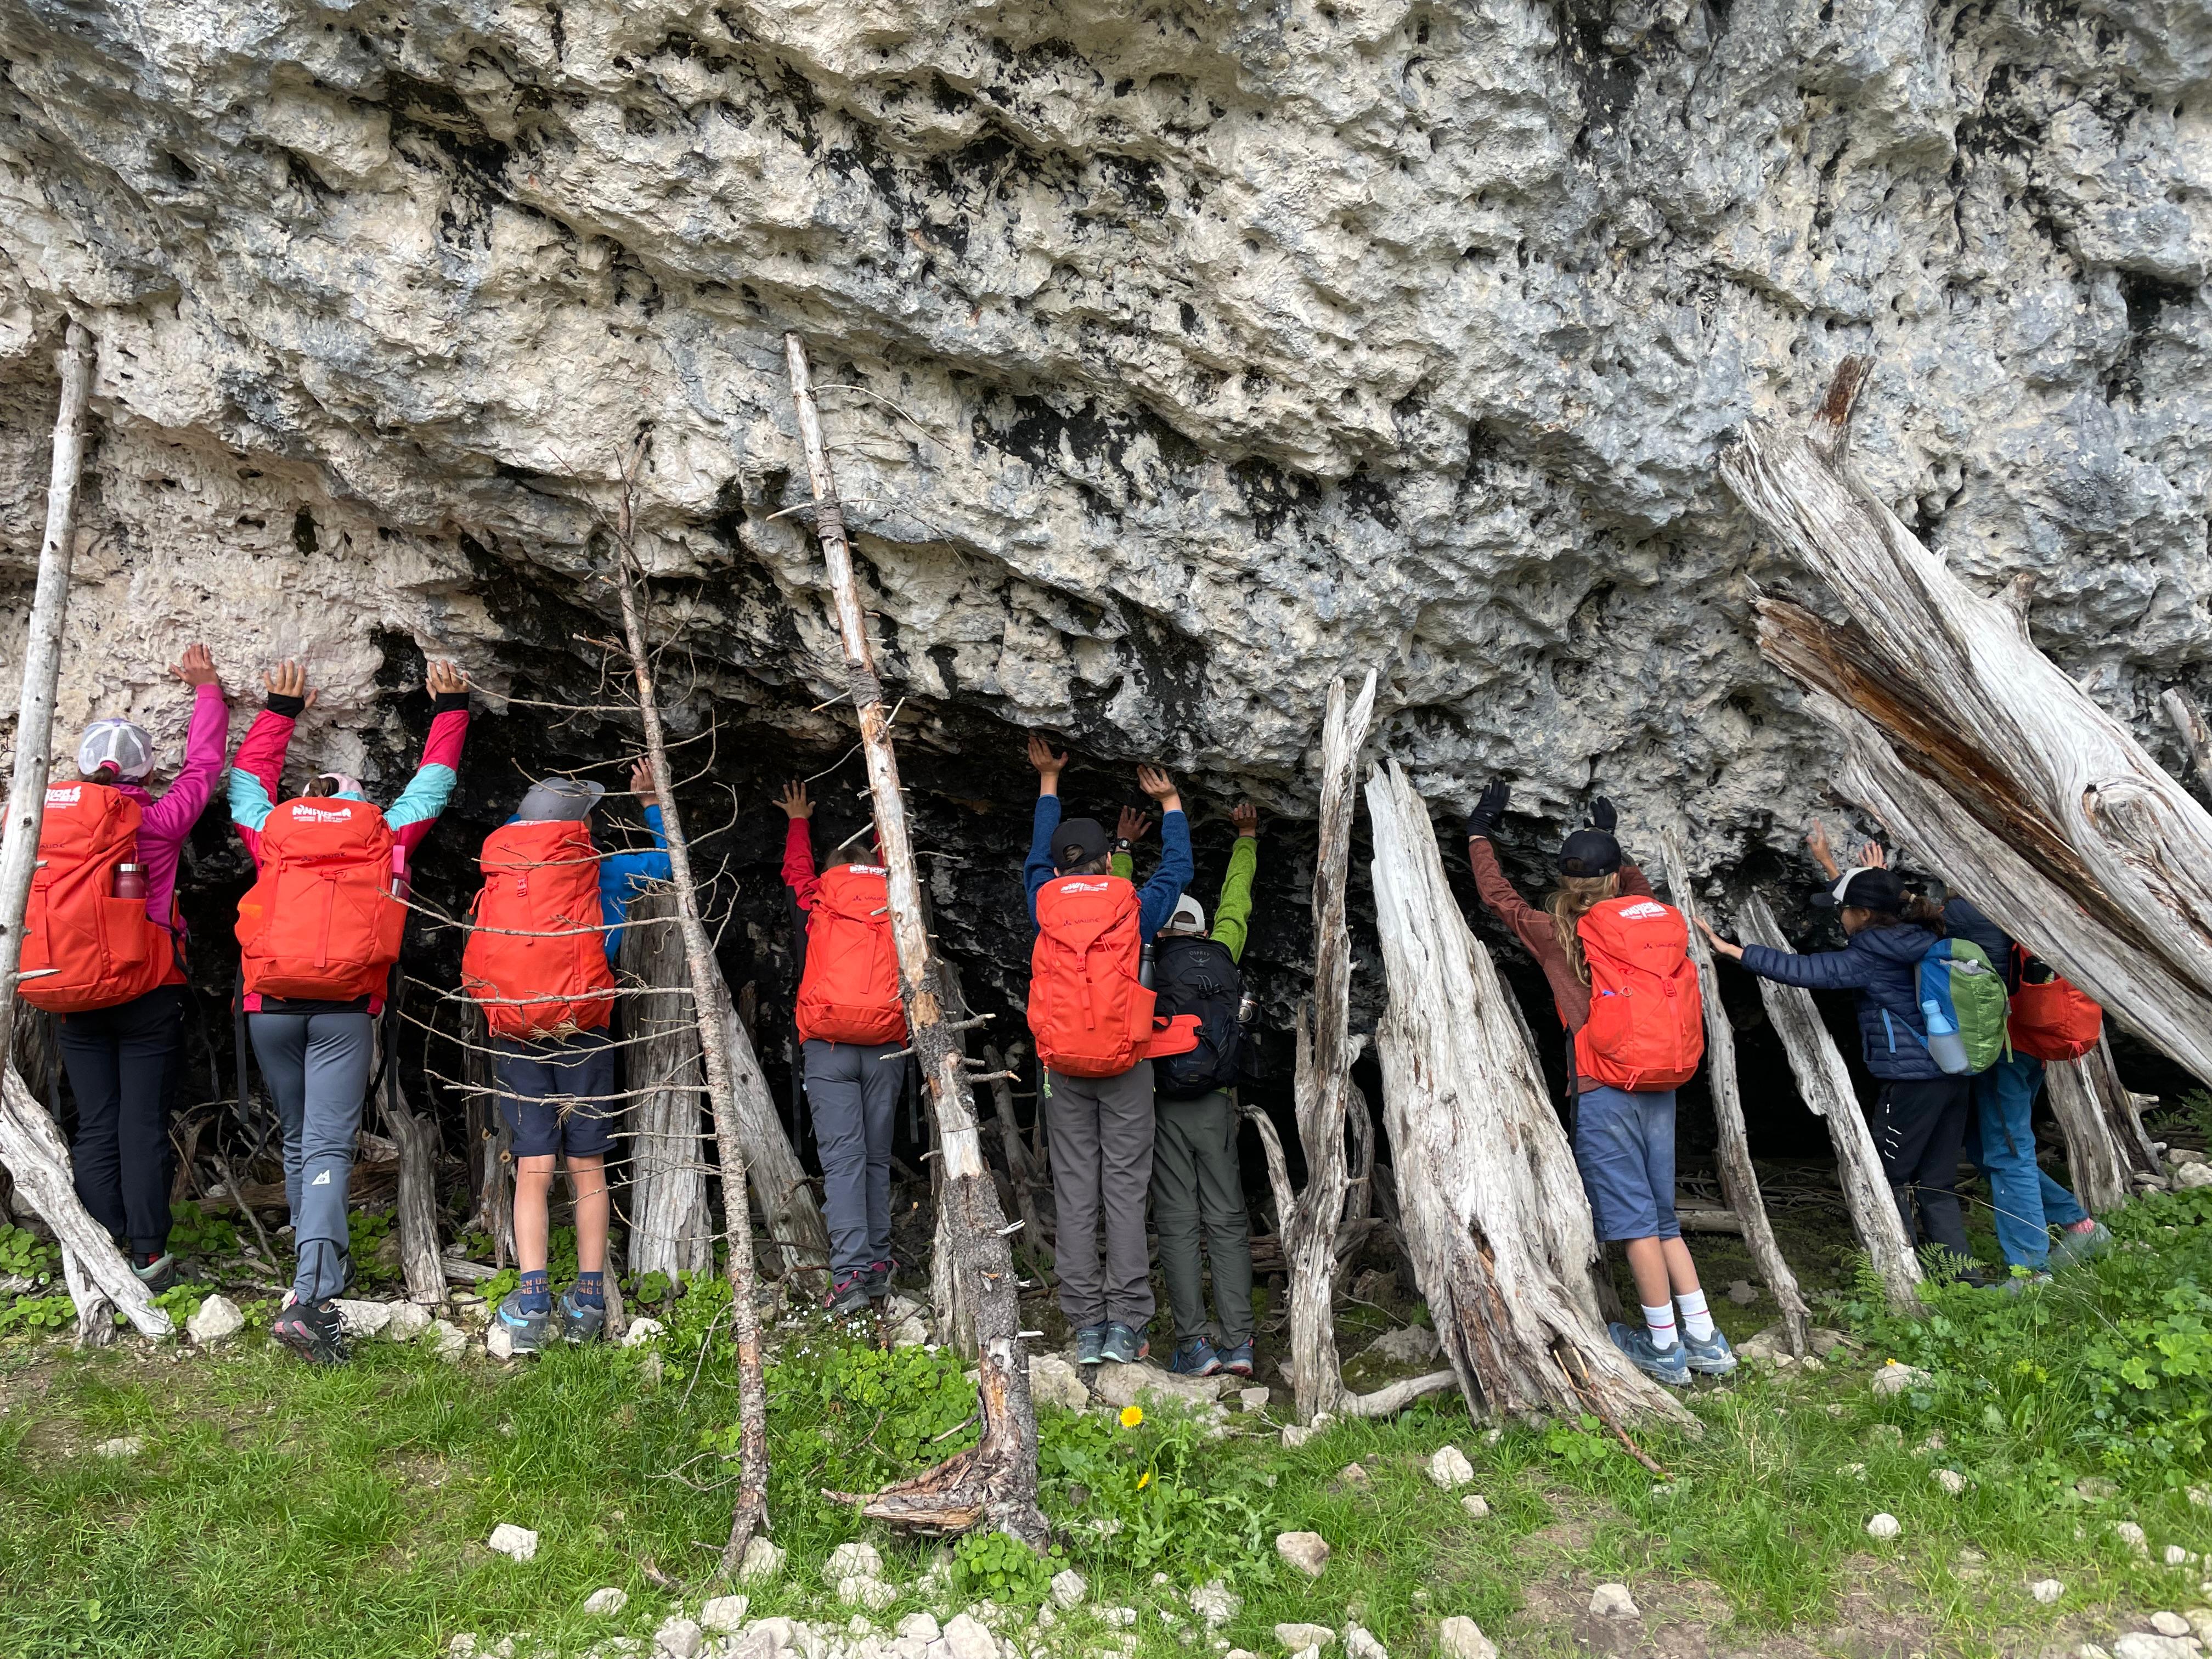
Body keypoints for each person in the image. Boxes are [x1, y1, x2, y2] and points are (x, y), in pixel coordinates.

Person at [230, 657, 471, 1362]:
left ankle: (310, 1285)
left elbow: (243, 780)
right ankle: (313, 1297)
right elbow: (436, 781)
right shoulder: (383, 835)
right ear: (358, 804)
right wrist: (452, 707)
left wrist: (278, 709)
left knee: (303, 1139)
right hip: (343, 1009)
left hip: (268, 1005)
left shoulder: (272, 830)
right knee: (331, 1143)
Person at [1465, 781, 1732, 1385]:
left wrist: (1481, 832)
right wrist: (1613, 837)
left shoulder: (1556, 934)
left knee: (1635, 1222)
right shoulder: (1651, 926)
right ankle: (1706, 1339)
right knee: (1662, 1216)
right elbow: (1635, 886)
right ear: (1614, 879)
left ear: (1565, 881)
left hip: (1602, 1086)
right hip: (1659, 1085)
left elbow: (1497, 896)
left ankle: (1664, 1348)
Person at [1807, 825, 2110, 1281]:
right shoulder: (2014, 908)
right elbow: (1892, 914)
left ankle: (2032, 1271)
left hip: (2002, 1050)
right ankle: (2077, 1223)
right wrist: (1850, 874)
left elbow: (1896, 926)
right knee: (1989, 1149)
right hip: (2019, 1045)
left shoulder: (1970, 913)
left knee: (2008, 1151)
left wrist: (1866, 881)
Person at [26, 645, 230, 1290]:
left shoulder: (39, 827)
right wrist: (208, 693)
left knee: (94, 1120)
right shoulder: (159, 823)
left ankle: (98, 1245)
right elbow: (202, 768)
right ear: (144, 771)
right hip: (148, 990)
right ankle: (147, 1253)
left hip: (70, 993)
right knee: (142, 1122)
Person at [1697, 850, 1984, 1283]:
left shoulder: (1869, 953)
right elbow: (1880, 904)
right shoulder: (1925, 936)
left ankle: (1902, 1278)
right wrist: (1850, 873)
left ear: (1863, 914)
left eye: (1843, 910)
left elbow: (1809, 970)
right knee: (1936, 1181)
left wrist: (1734, 951)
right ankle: (1964, 1281)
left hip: (1909, 1083)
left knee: (1886, 1176)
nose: (1838, 920)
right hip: (1953, 1073)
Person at [471, 765, 673, 1352]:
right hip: (583, 1030)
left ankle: (531, 1303)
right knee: (587, 1168)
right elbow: (670, 865)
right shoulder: (601, 873)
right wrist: (652, 804)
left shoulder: (503, 870)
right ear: (580, 827)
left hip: (515, 1031)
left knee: (534, 1167)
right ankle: (586, 1301)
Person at [1025, 735, 1192, 1367]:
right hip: (1126, 1064)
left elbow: (1036, 856)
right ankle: (1127, 1324)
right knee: (1125, 1192)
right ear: (1103, 861)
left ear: (1061, 865)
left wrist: (1048, 783)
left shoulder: (1041, 901)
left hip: (1061, 1067)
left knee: (1075, 1193)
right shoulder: (1134, 907)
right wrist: (1171, 802)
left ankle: (1085, 1324)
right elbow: (1178, 871)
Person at [1111, 800, 1260, 1379]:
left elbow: (1114, 912)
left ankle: (1195, 1345)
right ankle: (1241, 1341)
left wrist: (1123, 851)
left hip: (1163, 1101)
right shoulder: (1225, 948)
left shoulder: (1139, 953)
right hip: (1217, 1105)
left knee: (1177, 1219)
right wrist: (1245, 837)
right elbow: (1237, 898)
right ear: (1201, 926)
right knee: (1226, 1215)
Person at [778, 779, 907, 1318]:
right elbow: (895, 855)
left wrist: (799, 820)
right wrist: (882, 810)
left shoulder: (821, 899)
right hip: (885, 1044)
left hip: (829, 1045)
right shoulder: (894, 894)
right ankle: (875, 1267)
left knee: (843, 1162)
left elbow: (794, 875)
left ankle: (850, 1274)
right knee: (875, 1159)